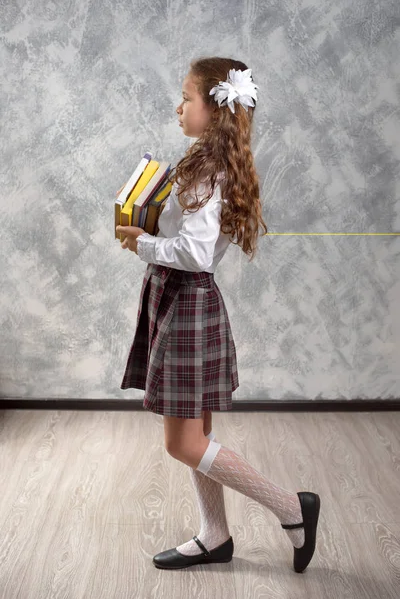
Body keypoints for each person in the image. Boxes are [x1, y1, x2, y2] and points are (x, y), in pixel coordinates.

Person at [115, 57, 320, 573]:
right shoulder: (202, 164)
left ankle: (293, 509)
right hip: (179, 301)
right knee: (197, 433)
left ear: (215, 108)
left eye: (187, 97)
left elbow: (197, 255)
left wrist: (143, 245)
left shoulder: (212, 172)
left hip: (187, 303)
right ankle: (215, 535)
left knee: (182, 443)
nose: (178, 106)